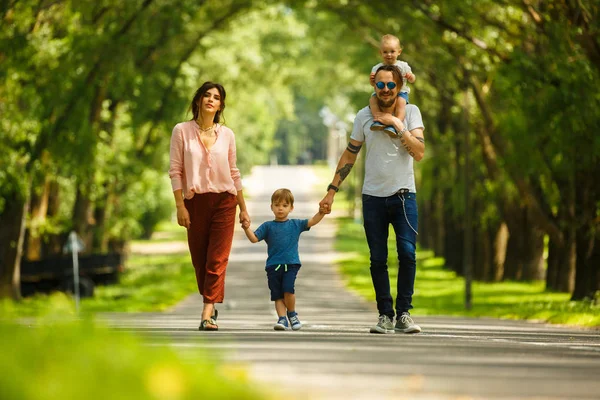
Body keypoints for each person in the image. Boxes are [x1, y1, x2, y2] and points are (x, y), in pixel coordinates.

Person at [320, 64, 425, 334]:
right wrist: (332, 190)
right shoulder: (364, 116)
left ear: (399, 87)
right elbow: (350, 154)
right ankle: (384, 315)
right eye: (380, 85)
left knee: (408, 255)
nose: (386, 90)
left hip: (404, 196)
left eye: (391, 85)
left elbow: (419, 151)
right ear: (374, 86)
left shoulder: (411, 112)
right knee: (378, 259)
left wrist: (397, 125)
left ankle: (404, 313)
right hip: (373, 198)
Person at [169, 81, 250, 332]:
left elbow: (234, 173)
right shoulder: (181, 131)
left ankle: (207, 312)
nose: (211, 100)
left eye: (216, 97)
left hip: (225, 202)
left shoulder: (227, 135)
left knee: (217, 258)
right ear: (198, 101)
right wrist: (180, 205)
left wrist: (243, 207)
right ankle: (211, 301)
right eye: (206, 95)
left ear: (220, 105)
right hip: (195, 202)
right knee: (200, 260)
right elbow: (176, 170)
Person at [241, 188, 325, 331]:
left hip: (291, 264)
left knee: (288, 290)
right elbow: (254, 239)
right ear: (271, 207)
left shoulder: (295, 224)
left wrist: (321, 212)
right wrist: (246, 228)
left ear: (291, 208)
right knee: (277, 295)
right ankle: (282, 319)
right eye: (277, 205)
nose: (280, 208)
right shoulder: (268, 226)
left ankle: (292, 314)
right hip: (273, 266)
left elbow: (312, 221)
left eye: (285, 205)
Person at [369, 34, 416, 136]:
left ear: (399, 52)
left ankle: (395, 123)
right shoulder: (377, 68)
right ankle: (378, 118)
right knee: (372, 100)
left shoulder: (403, 66)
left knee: (401, 103)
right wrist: (372, 80)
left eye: (392, 51)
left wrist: (411, 77)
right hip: (383, 92)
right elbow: (374, 85)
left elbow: (413, 79)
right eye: (385, 52)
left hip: (401, 92)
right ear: (380, 52)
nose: (389, 54)